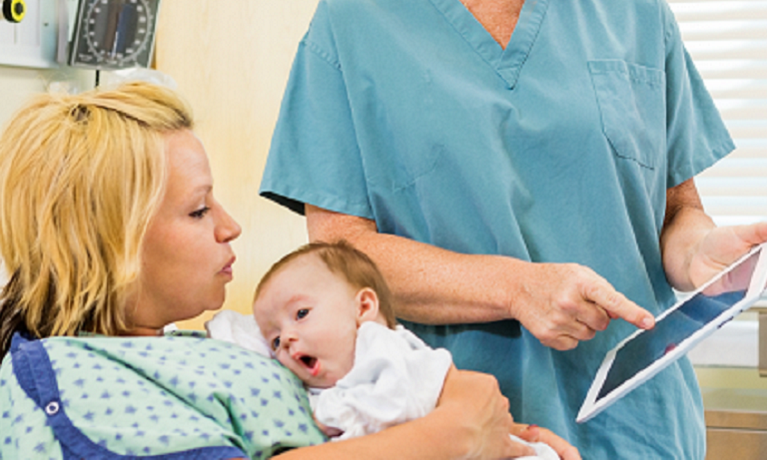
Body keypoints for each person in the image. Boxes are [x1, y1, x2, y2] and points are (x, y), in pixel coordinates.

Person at [258, 0, 767, 458]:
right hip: (466, 427)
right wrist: (514, 288)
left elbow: (676, 209)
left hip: (642, 424)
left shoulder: (637, 13)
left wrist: (699, 251)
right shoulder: (353, 22)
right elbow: (338, 257)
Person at [0, 81, 536, 459]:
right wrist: (458, 431)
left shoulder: (198, 349)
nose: (229, 227)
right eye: (198, 209)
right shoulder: (65, 379)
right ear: (110, 244)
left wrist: (495, 426)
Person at [248, 241, 568, 459]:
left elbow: (391, 405)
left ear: (363, 307)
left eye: (301, 314)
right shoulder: (316, 386)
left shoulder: (384, 349)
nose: (287, 340)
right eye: (274, 340)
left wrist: (330, 415)